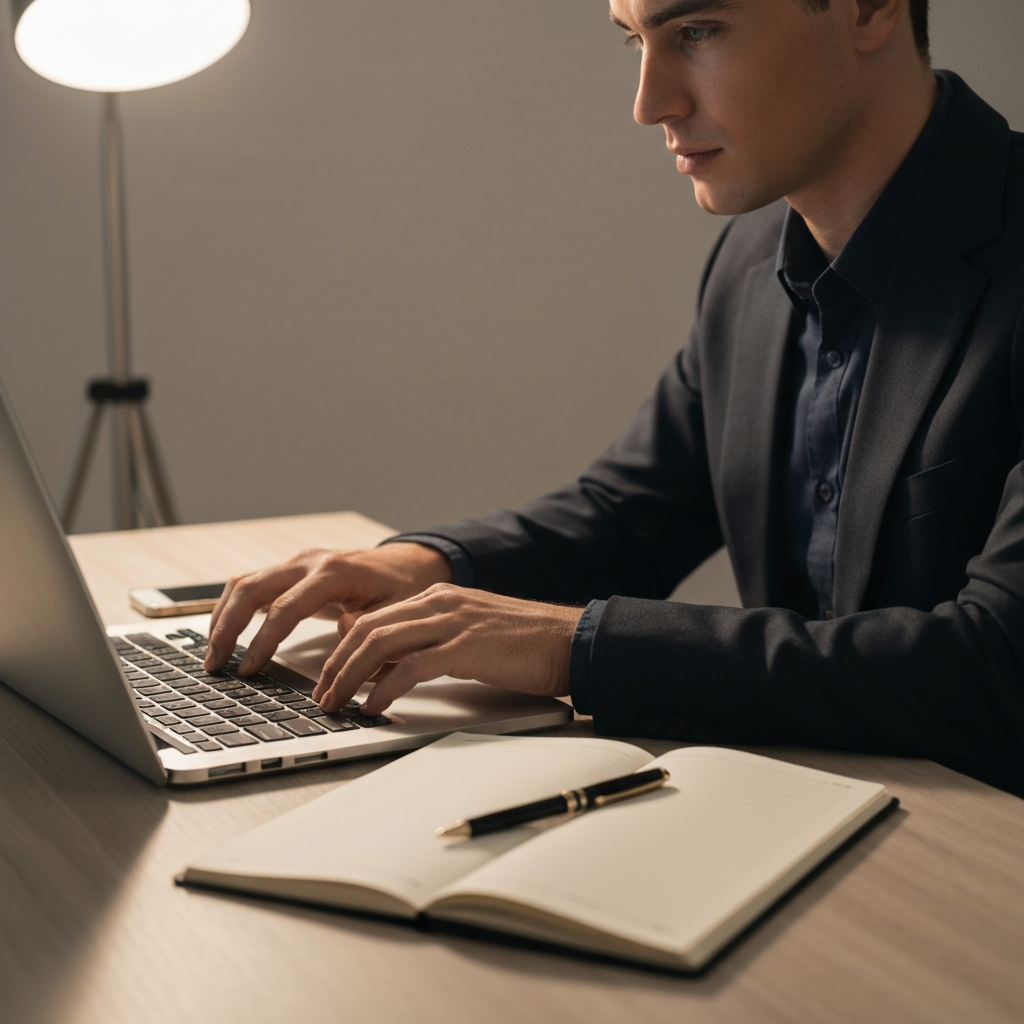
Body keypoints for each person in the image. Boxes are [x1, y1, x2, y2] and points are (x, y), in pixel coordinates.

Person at [207, 0, 1024, 792]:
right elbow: (630, 513)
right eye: (634, 41)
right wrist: (425, 568)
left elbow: (995, 668)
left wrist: (574, 648)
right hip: (829, 808)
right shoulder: (750, 264)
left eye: (696, 30)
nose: (648, 104)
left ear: (870, 7)